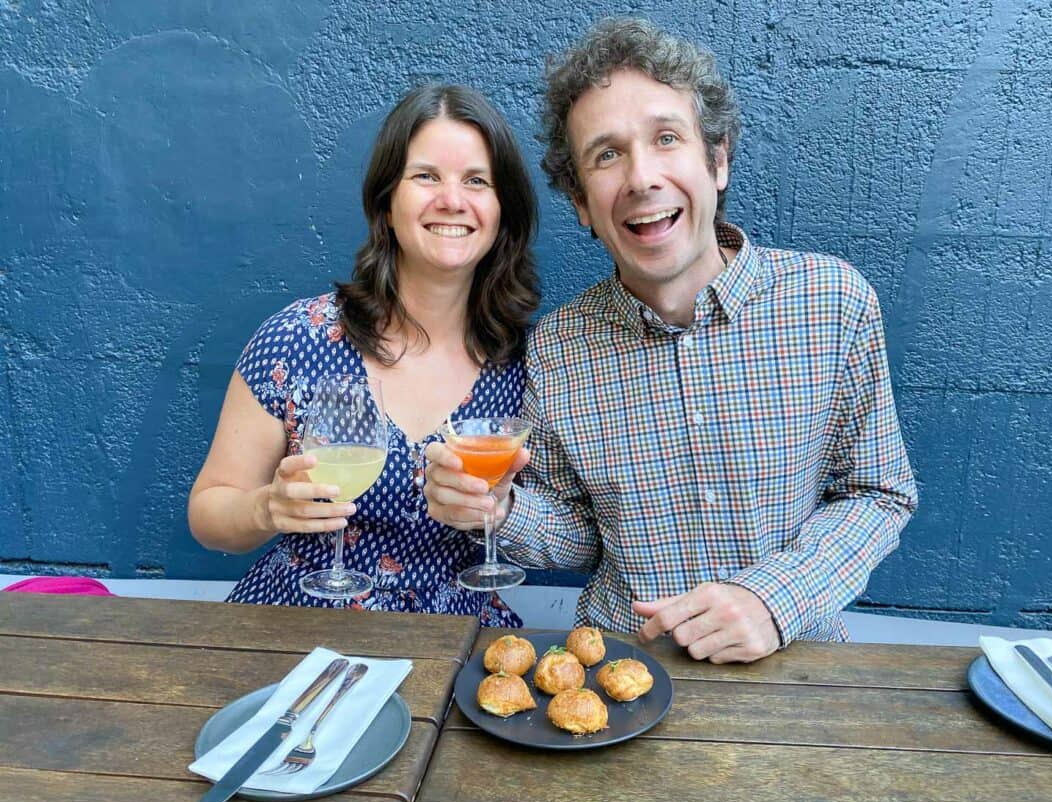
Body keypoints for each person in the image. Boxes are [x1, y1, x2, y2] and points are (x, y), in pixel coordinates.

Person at [423, 18, 917, 661]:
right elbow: (582, 539)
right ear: (580, 202)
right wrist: (501, 510)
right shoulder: (556, 349)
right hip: (617, 670)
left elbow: (878, 493)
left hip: (796, 664)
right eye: (606, 155)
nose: (640, 177)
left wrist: (774, 599)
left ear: (717, 160)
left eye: (666, 139)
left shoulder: (833, 302)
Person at [189, 84, 540, 625]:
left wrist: (503, 512)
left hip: (454, 649)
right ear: (386, 202)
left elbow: (567, 528)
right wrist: (267, 508)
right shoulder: (297, 339)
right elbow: (209, 512)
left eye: (477, 181)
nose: (452, 199)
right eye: (426, 176)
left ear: (501, 212)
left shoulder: (530, 366)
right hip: (299, 631)